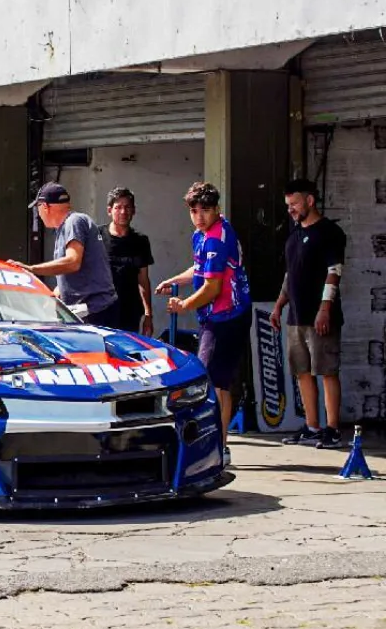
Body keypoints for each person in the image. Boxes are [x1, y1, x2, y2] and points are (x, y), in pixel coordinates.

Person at [156, 182, 252, 450]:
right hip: (215, 316)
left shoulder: (216, 238)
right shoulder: (201, 235)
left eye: (205, 210)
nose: (199, 216)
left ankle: (217, 446)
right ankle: (217, 444)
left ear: (217, 209)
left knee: (210, 379)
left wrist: (183, 304)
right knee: (215, 381)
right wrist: (174, 280)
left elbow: (213, 287)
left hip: (228, 316)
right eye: (194, 210)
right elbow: (201, 270)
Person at [270, 179, 346, 449]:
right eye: (288, 205)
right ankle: (312, 426)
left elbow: (334, 271)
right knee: (302, 372)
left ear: (310, 201)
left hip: (320, 317)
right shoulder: (292, 235)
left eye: (295, 204)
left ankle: (332, 429)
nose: (291, 209)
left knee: (326, 371)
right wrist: (280, 304)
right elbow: (290, 274)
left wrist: (325, 308)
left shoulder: (329, 232)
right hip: (296, 317)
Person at [8, 182, 120, 328]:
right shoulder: (65, 228)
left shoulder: (74, 222)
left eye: (38, 209)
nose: (39, 215)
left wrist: (31, 269)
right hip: (87, 311)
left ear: (45, 207)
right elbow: (77, 272)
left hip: (95, 311)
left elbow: (73, 262)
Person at [100, 187, 155, 335]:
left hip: (130, 313)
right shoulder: (96, 237)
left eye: (127, 207)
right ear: (109, 210)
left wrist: (148, 316)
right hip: (100, 313)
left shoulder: (141, 241)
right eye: (118, 207)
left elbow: (143, 280)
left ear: (133, 210)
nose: (123, 212)